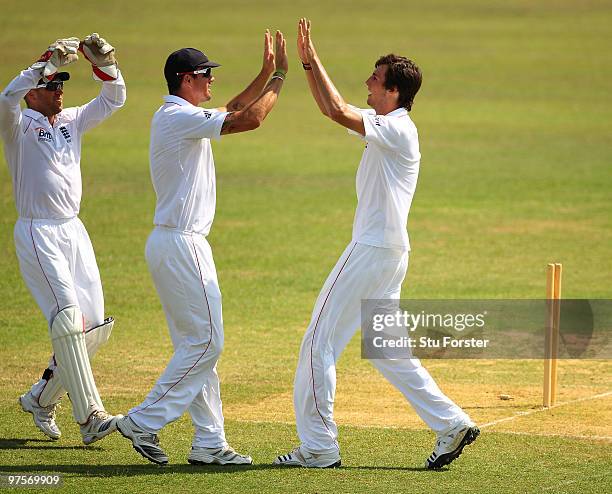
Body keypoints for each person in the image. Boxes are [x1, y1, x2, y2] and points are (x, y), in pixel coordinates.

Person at [273, 19, 479, 470]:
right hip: (390, 253)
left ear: (393, 91)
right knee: (388, 350)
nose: (367, 81)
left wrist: (308, 60)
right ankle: (451, 423)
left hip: (370, 250)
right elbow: (338, 107)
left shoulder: (397, 128)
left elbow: (334, 110)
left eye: (375, 77)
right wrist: (310, 66)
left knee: (316, 343)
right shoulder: (387, 124)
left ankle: (319, 446)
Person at [116, 30, 288, 466]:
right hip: (182, 242)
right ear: (185, 79)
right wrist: (281, 77)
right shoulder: (176, 117)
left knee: (197, 345)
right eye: (205, 74)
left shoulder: (181, 115)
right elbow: (249, 119)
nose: (211, 81)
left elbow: (230, 108)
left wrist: (264, 72)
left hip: (175, 243)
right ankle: (143, 420)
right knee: (207, 343)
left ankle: (209, 442)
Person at [0, 34, 126, 445]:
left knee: (94, 326)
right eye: (52, 85)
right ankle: (90, 417)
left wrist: (105, 63)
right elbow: (5, 97)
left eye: (60, 85)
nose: (59, 91)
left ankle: (40, 398)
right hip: (38, 230)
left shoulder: (71, 119)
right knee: (69, 319)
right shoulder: (17, 124)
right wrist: (44, 63)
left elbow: (114, 99)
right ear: (33, 93)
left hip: (74, 228)